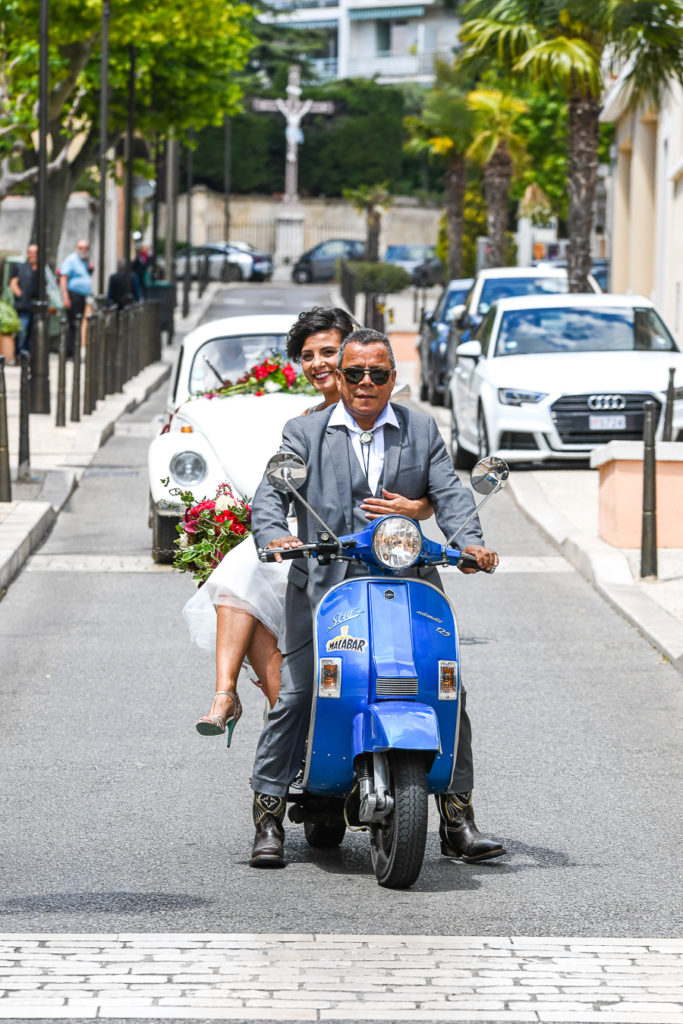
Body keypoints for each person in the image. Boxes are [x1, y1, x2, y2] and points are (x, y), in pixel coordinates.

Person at [249, 327, 505, 868]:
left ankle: (458, 818)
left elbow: (452, 495)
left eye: (378, 374)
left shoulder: (421, 428)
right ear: (338, 377)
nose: (366, 383)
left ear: (394, 379)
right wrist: (276, 536)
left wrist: (472, 544)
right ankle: (268, 812)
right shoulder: (305, 432)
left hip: (408, 582)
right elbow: (271, 494)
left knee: (448, 691)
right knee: (298, 694)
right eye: (355, 373)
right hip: (324, 587)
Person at [187, 307, 434, 737]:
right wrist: (275, 533)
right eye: (307, 355)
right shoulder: (305, 423)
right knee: (244, 576)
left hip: (381, 551)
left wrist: (416, 509)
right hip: (314, 546)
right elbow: (277, 490)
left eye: (329, 352)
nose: (318, 363)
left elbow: (429, 489)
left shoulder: (394, 413)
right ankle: (265, 713)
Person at [59, 239, 93, 357]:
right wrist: (65, 297)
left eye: (85, 248)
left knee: (77, 323)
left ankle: (74, 350)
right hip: (73, 295)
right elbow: (63, 278)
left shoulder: (83, 261)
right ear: (76, 248)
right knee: (73, 323)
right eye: (81, 248)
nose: (83, 250)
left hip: (81, 296)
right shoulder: (71, 260)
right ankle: (70, 351)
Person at [9, 244, 38, 358]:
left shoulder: (39, 269)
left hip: (35, 305)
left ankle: (27, 353)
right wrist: (20, 294)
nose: (33, 255)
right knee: (22, 330)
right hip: (23, 305)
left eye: (35, 253)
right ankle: (19, 353)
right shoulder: (20, 267)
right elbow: (13, 283)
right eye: (31, 252)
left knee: (32, 332)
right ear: (27, 254)